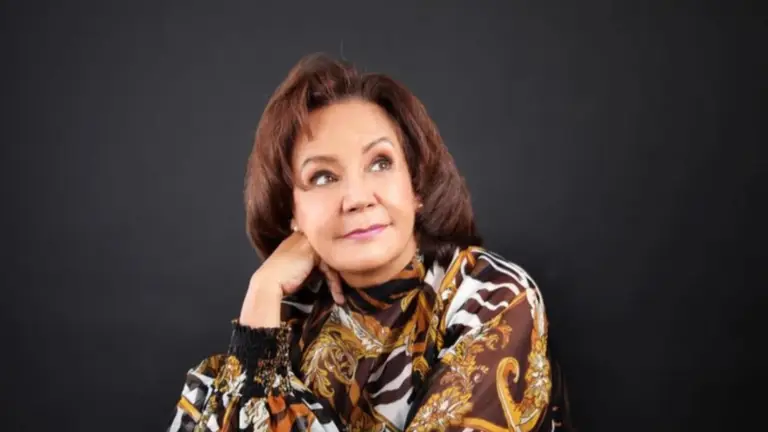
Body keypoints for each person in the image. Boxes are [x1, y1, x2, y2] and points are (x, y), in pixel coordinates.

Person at [167, 53, 571, 432]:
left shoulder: (491, 298)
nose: (357, 198)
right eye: (323, 177)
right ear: (292, 213)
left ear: (416, 185)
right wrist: (262, 291)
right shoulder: (281, 320)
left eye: (380, 163)